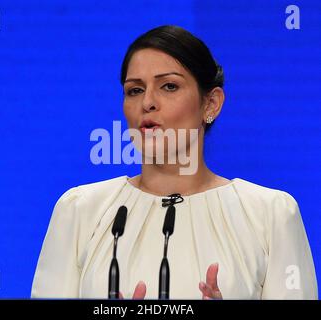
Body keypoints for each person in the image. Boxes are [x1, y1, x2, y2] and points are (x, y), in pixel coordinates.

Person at [31, 25, 318, 299]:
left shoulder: (270, 214)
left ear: (211, 104)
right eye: (135, 90)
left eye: (169, 86)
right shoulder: (81, 210)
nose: (148, 103)